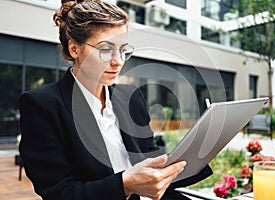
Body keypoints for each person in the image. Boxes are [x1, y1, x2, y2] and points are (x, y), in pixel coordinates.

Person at [19, 1, 212, 199]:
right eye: (105, 49)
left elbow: (149, 155)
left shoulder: (130, 97)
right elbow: (60, 193)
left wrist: (197, 155)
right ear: (74, 49)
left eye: (123, 50)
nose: (118, 61)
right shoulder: (42, 105)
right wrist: (125, 184)